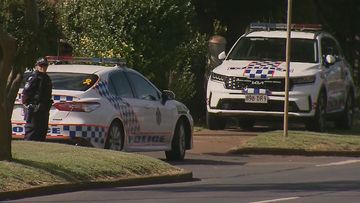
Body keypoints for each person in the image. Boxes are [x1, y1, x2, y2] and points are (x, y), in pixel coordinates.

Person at [22, 57, 53, 141]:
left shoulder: (46, 78)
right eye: (41, 65)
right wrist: (29, 106)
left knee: (42, 131)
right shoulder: (33, 78)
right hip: (34, 108)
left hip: (44, 108)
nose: (43, 67)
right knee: (32, 131)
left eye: (45, 65)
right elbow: (25, 94)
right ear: (36, 66)